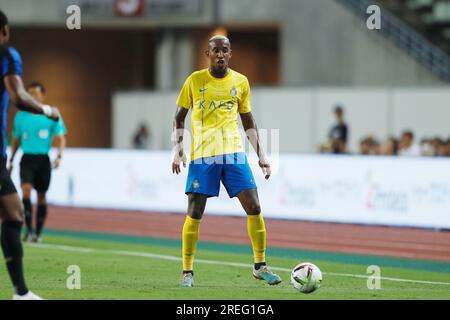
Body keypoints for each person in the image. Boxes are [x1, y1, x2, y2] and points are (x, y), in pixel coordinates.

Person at [171, 35, 282, 287]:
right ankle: (187, 272)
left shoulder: (240, 82)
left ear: (230, 54)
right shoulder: (194, 80)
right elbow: (178, 118)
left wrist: (261, 155)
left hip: (234, 153)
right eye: (215, 51)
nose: (220, 54)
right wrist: (178, 149)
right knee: (195, 212)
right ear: (207, 54)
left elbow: (248, 121)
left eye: (224, 51)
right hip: (203, 156)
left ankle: (260, 266)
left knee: (254, 206)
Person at [0, 10, 60, 300]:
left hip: (32, 159)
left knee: (13, 210)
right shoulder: (6, 55)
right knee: (12, 214)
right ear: (5, 31)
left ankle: (21, 292)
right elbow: (18, 97)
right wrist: (48, 110)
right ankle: (21, 293)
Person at [8, 82, 67, 243]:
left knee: (41, 197)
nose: (33, 96)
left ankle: (38, 233)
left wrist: (59, 156)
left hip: (43, 160)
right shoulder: (21, 116)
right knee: (25, 191)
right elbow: (16, 139)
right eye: (30, 94)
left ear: (43, 95)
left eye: (36, 93)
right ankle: (29, 230)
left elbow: (61, 137)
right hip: (27, 159)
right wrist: (11, 159)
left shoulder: (51, 114)